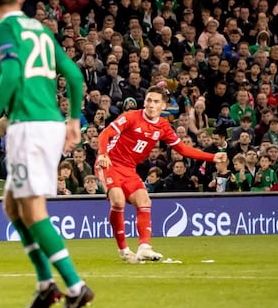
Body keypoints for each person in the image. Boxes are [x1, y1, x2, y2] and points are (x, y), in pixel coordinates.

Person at [0, 0, 93, 308]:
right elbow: (73, 75)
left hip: (28, 128)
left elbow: (12, 74)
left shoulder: (0, 30)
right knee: (12, 206)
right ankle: (46, 283)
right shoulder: (41, 30)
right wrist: (73, 120)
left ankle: (74, 286)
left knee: (32, 211)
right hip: (48, 123)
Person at [97, 86, 227, 262]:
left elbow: (182, 149)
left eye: (156, 101)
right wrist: (103, 153)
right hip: (109, 163)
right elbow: (105, 134)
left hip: (129, 169)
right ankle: (124, 251)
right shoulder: (131, 117)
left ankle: (144, 247)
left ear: (163, 106)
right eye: (149, 100)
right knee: (118, 200)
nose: (151, 105)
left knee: (144, 201)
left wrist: (212, 157)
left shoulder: (163, 126)